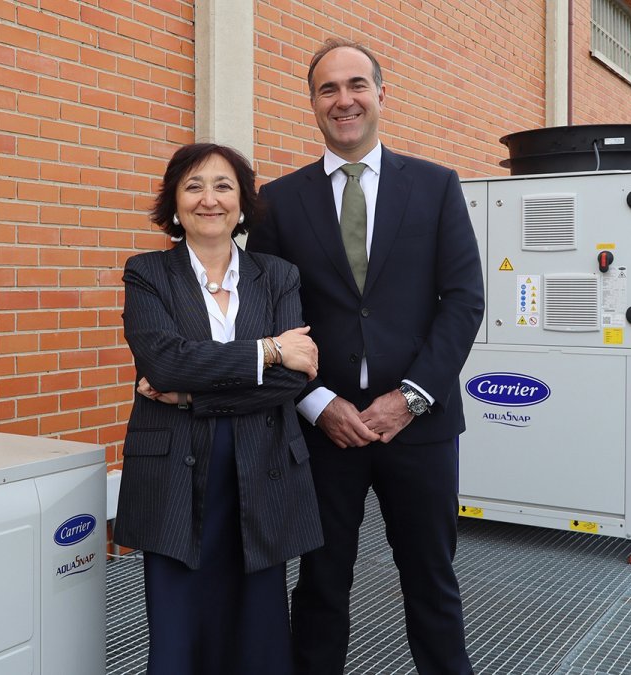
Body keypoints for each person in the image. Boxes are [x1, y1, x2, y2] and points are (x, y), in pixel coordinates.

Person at [248, 39, 485, 675]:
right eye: (328, 89)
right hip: (325, 430)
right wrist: (317, 402)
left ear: (382, 95)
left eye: (356, 85)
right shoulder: (278, 201)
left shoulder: (435, 187)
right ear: (313, 104)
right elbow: (268, 318)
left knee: (432, 583)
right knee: (322, 585)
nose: (343, 100)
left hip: (421, 424)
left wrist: (410, 398)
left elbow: (463, 301)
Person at [114, 142, 325, 675]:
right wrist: (268, 349)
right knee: (179, 620)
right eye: (194, 186)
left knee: (258, 622)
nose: (209, 199)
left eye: (223, 186)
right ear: (175, 202)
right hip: (173, 473)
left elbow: (288, 384)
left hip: (264, 463)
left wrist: (191, 393)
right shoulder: (147, 273)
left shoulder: (278, 276)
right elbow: (163, 362)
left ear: (242, 201)